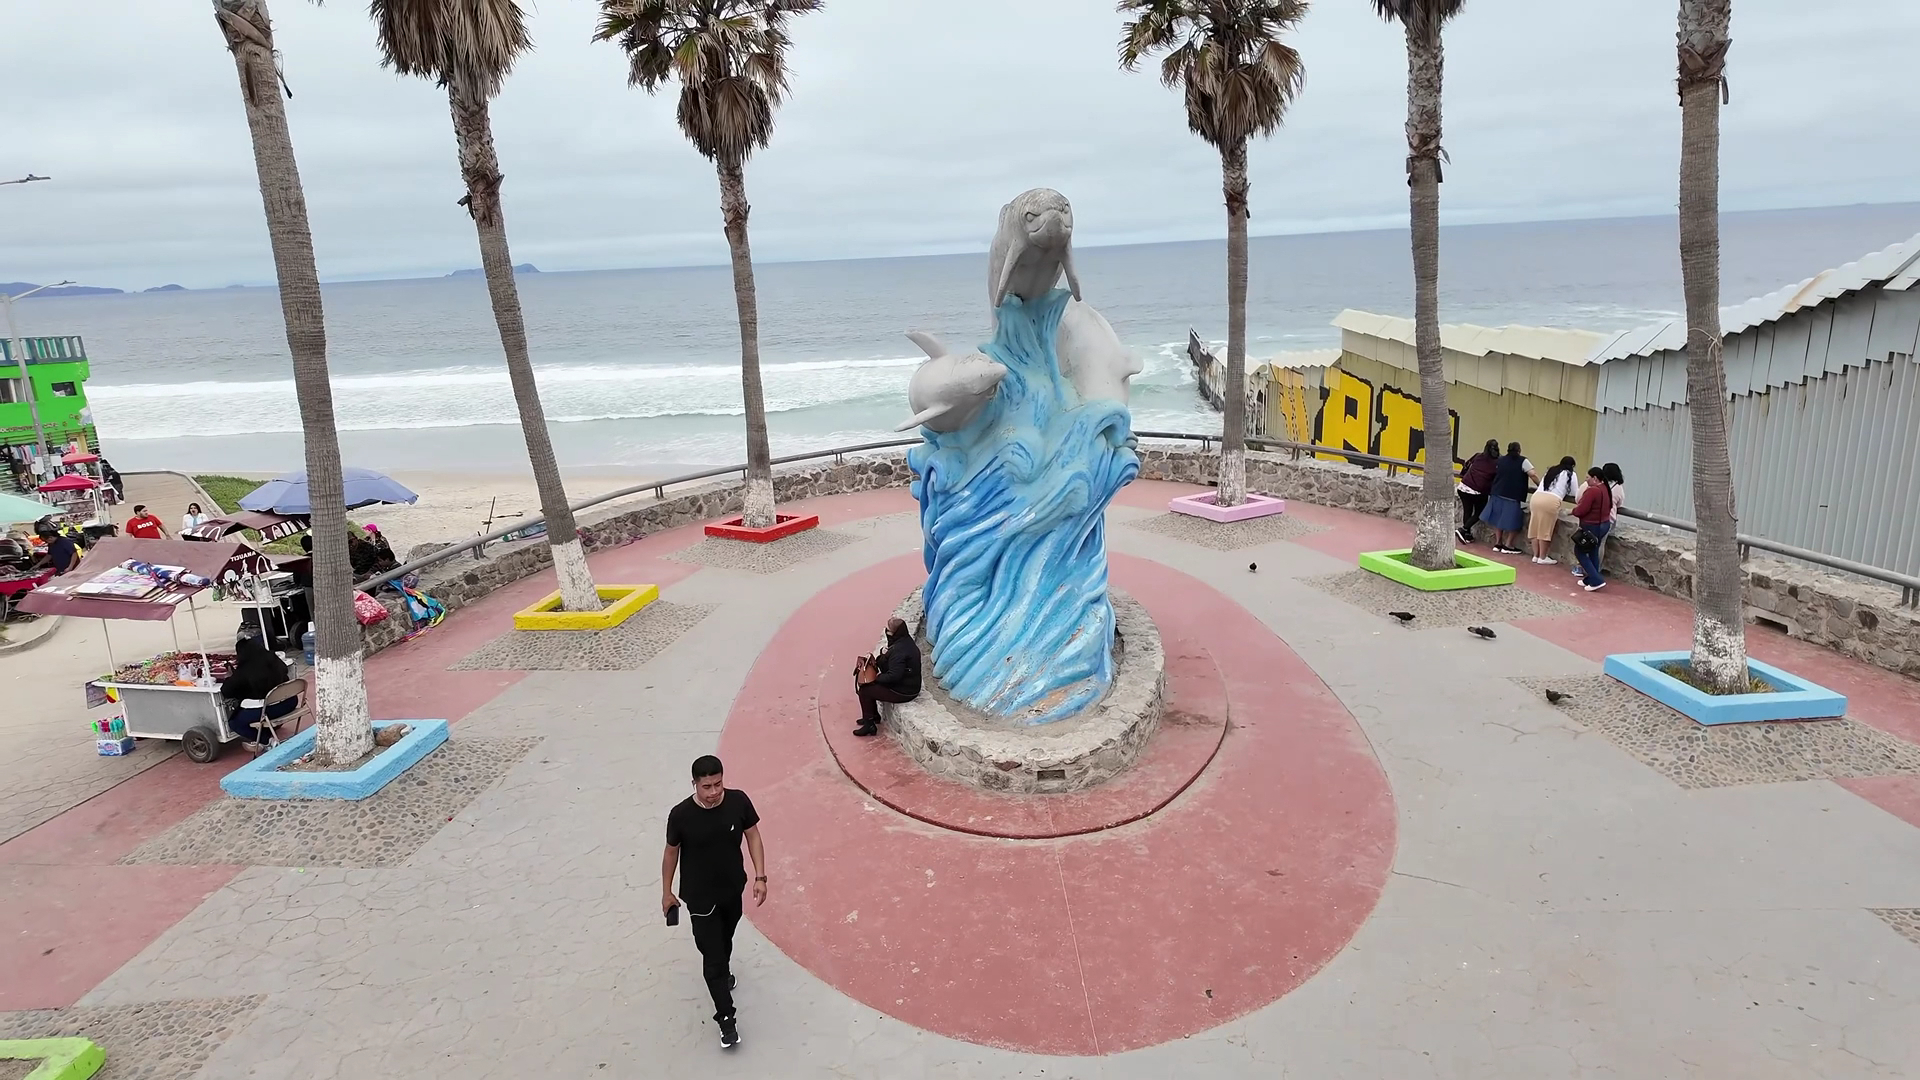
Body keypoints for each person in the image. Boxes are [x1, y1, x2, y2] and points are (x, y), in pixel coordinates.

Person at [662, 755, 766, 1051]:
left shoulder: (738, 802)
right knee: (713, 958)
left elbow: (753, 836)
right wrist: (667, 892)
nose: (713, 792)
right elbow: (671, 853)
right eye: (706, 786)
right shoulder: (680, 815)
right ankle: (726, 1019)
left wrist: (760, 877)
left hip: (732, 891)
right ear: (694, 784)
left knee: (724, 941)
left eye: (718, 784)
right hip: (700, 898)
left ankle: (723, 971)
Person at [220, 633, 297, 748]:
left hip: (270, 710)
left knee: (235, 723)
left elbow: (226, 691)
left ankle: (267, 740)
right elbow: (285, 670)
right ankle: (265, 735)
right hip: (290, 701)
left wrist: (230, 677)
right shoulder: (272, 658)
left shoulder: (244, 670)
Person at [853, 617, 921, 737]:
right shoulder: (905, 641)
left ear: (895, 633)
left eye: (888, 630)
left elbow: (894, 676)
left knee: (865, 690)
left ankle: (869, 725)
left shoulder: (899, 651)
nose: (887, 632)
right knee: (869, 686)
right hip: (909, 685)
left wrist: (877, 678)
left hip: (904, 691)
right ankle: (872, 716)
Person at [1481, 442, 1536, 555]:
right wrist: (1540, 486)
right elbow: (1532, 474)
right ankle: (1508, 545)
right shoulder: (1523, 461)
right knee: (1514, 522)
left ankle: (1498, 543)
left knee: (1498, 519)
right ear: (1519, 450)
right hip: (1513, 495)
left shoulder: (1500, 460)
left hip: (1497, 492)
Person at [1571, 467, 1616, 592]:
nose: (1586, 480)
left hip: (1591, 525)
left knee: (1579, 551)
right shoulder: (1606, 489)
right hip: (1604, 524)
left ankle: (1596, 579)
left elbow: (1582, 509)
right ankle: (1591, 578)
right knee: (1593, 551)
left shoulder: (1592, 491)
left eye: (1587, 477)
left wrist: (1573, 511)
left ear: (1595, 478)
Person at [1527, 456, 1579, 564]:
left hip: (1536, 497)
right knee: (1545, 529)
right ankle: (1542, 557)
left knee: (1535, 527)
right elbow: (1574, 492)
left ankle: (1535, 555)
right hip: (1551, 500)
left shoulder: (1551, 470)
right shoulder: (1571, 474)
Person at [1456, 439, 1499, 545]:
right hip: (1477, 490)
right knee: (1480, 512)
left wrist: (1463, 475)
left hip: (1463, 486)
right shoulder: (1497, 462)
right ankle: (1464, 529)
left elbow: (1466, 465)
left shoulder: (1478, 456)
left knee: (1468, 511)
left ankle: (1467, 535)